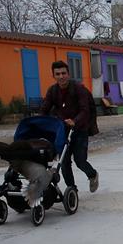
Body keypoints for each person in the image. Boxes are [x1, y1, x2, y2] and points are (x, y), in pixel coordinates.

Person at [40, 60, 99, 193]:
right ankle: (72, 190)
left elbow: (85, 110)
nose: (61, 76)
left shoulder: (79, 89)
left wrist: (75, 121)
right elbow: (44, 108)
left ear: (68, 73)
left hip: (79, 129)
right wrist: (41, 121)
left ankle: (92, 175)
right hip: (62, 130)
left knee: (80, 160)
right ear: (53, 76)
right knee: (64, 162)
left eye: (63, 73)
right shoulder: (53, 90)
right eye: (58, 74)